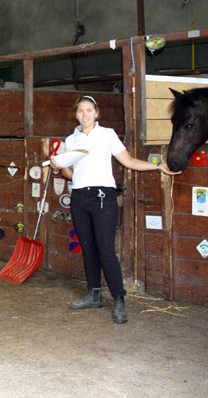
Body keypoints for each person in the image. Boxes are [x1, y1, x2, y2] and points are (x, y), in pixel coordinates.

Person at [49, 95, 180, 324]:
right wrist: (57, 165)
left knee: (105, 249)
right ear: (76, 114)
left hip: (103, 196)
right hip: (79, 196)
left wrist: (157, 166)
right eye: (80, 111)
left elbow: (127, 161)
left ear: (96, 113)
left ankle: (119, 299)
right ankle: (94, 294)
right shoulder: (70, 140)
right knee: (88, 247)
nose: (84, 114)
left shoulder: (107, 135)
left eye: (89, 110)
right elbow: (71, 173)